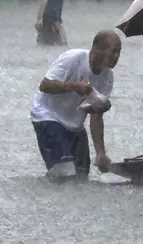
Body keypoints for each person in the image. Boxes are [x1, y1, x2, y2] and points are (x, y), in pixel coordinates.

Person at [30, 30, 122, 181]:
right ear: (97, 50)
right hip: (47, 115)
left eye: (119, 52)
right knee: (65, 172)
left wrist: (100, 152)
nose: (117, 57)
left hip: (74, 125)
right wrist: (73, 86)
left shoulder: (108, 78)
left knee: (81, 176)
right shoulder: (73, 58)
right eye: (113, 51)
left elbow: (96, 116)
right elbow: (44, 85)